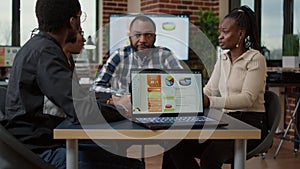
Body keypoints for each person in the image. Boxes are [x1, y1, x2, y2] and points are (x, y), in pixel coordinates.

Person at [0, 0, 144, 169]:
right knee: (131, 165)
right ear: (72, 21)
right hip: (39, 149)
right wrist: (123, 109)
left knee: (118, 152)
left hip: (42, 140)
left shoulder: (40, 48)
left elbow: (75, 99)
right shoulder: (46, 53)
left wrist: (113, 101)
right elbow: (81, 111)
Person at [162, 5, 268, 169]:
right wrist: (189, 99)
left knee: (210, 158)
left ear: (241, 33)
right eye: (220, 31)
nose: (220, 36)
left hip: (249, 123)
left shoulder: (255, 59)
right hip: (225, 120)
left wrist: (209, 102)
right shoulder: (223, 58)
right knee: (174, 145)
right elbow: (209, 90)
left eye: (225, 32)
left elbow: (247, 99)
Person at [91, 15, 184, 96]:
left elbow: (183, 86)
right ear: (130, 36)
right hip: (125, 111)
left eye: (148, 35)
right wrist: (119, 97)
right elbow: (96, 87)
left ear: (154, 37)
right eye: (137, 35)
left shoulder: (165, 55)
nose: (142, 40)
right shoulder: (119, 56)